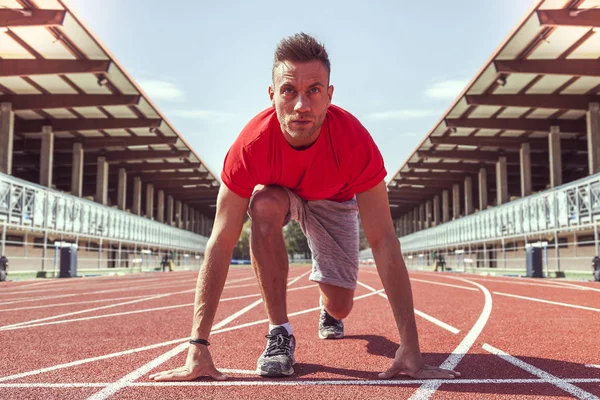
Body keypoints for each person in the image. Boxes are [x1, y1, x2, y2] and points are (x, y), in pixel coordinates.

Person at [150, 33, 460, 381]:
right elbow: (220, 241)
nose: (301, 105)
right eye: (288, 91)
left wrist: (411, 345)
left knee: (341, 305)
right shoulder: (250, 147)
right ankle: (279, 333)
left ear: (329, 96)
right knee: (262, 205)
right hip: (283, 192)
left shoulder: (355, 143)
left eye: (313, 90)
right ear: (272, 96)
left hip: (335, 201)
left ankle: (329, 310)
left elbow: (384, 240)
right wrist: (198, 344)